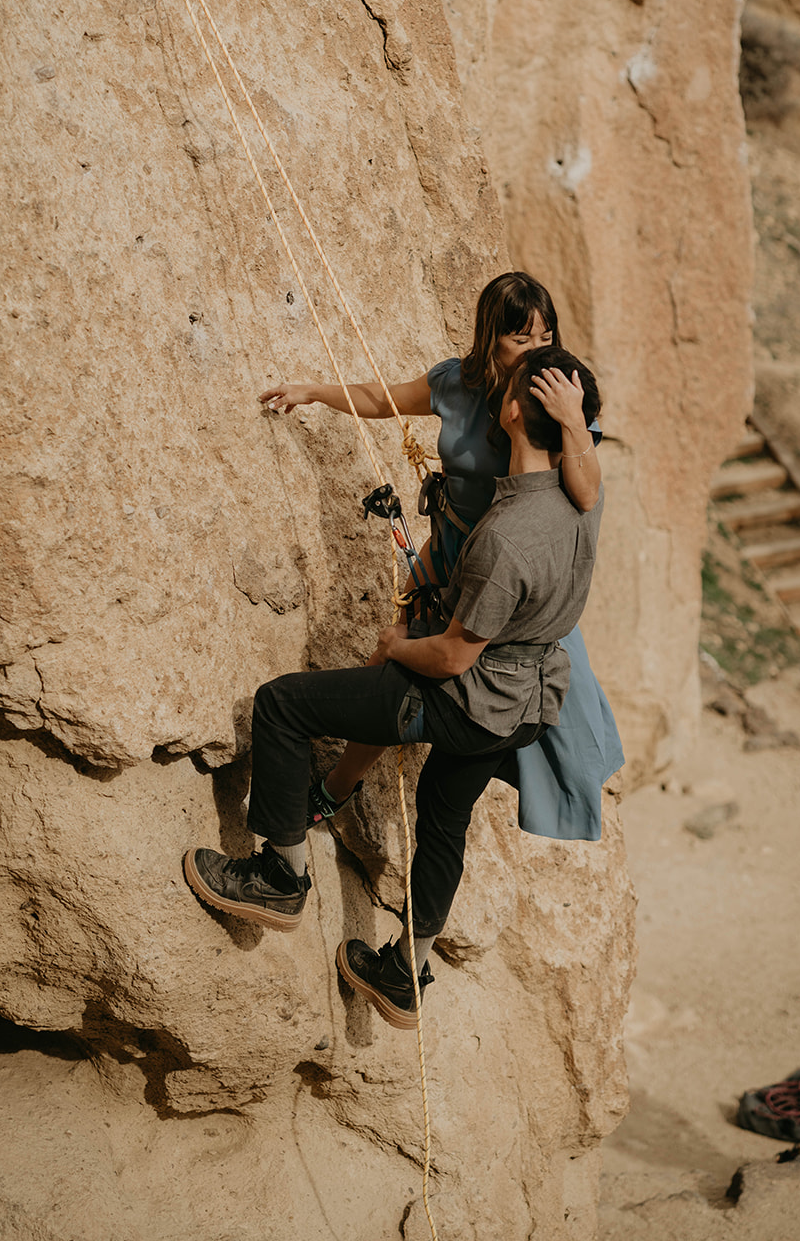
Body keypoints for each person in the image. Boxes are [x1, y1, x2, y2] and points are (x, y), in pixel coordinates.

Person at [184, 348, 607, 1028]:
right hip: (526, 706)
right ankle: (402, 973)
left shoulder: (506, 538)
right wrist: (572, 420)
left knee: (283, 705)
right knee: (444, 817)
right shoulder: (583, 499)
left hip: (465, 700)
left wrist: (394, 646)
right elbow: (581, 462)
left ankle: (278, 879)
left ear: (507, 412)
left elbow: (448, 660)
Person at [258, 271, 623, 840]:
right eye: (521, 339)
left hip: (508, 575)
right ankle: (336, 791)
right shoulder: (457, 383)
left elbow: (586, 493)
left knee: (542, 727)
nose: (539, 349)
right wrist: (313, 392)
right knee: (393, 672)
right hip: (451, 557)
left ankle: (347, 793)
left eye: (545, 335)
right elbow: (383, 398)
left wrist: (575, 419)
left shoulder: (554, 397)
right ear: (489, 338)